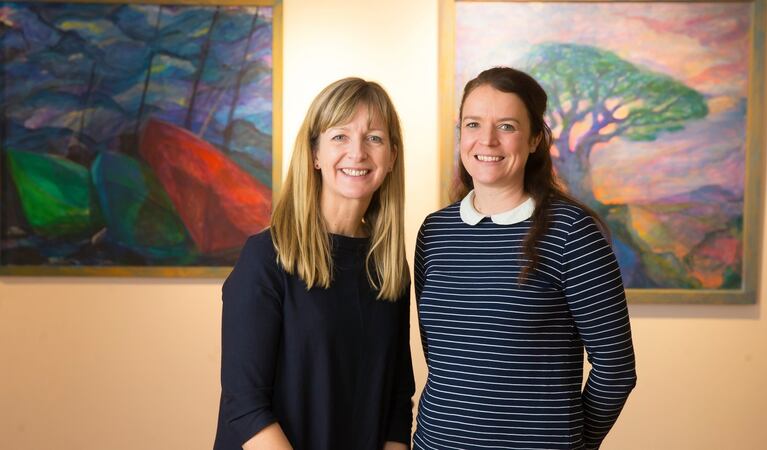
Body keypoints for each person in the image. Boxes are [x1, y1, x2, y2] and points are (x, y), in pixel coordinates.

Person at [412, 67, 636, 449]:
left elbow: (616, 371)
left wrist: (576, 443)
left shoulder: (571, 232)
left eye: (507, 127)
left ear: (534, 139)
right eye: (472, 124)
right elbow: (442, 358)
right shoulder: (435, 232)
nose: (487, 140)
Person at [214, 78, 415, 450]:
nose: (357, 152)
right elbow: (245, 408)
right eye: (340, 136)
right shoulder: (266, 257)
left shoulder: (389, 268)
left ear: (392, 157)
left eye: (374, 138)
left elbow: (397, 405)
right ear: (315, 155)